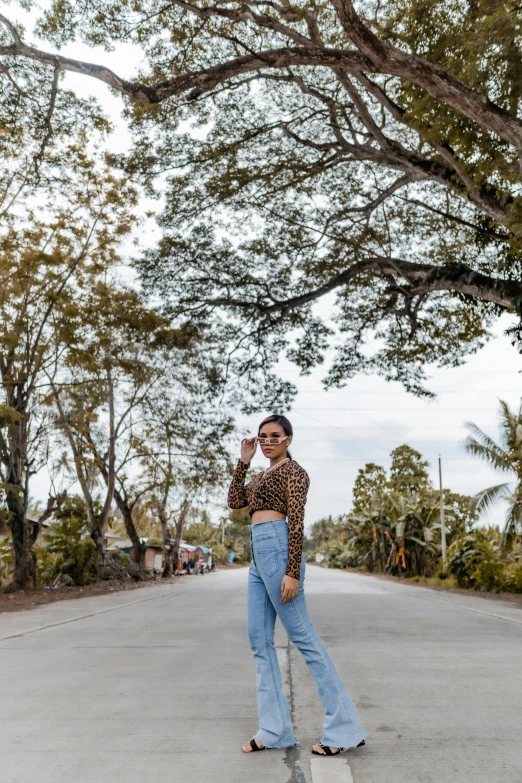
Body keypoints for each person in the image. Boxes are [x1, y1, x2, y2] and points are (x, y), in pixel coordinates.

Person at [227, 414, 367, 757]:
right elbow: (234, 502)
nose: (268, 441)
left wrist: (292, 572)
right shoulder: (260, 475)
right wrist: (243, 463)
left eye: (275, 436)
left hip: (278, 549)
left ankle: (345, 727)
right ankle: (274, 730)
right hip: (258, 555)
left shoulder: (294, 472)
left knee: (304, 637)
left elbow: (297, 521)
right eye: (263, 437)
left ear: (288, 439)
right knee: (258, 641)